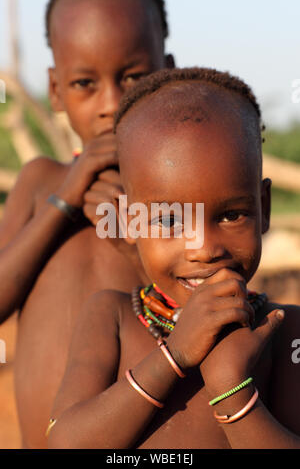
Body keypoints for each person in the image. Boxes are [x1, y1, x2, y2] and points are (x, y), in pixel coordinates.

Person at [48, 68, 300, 449]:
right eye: (169, 220)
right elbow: (65, 443)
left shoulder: (283, 330)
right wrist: (175, 355)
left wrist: (233, 392)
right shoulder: (111, 316)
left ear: (263, 208)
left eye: (231, 215)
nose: (204, 248)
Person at [0, 0, 173, 448]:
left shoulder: (179, 191)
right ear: (56, 89)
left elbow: (202, 313)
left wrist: (130, 244)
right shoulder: (41, 182)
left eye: (134, 76)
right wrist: (63, 201)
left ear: (168, 71)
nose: (112, 104)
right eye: (84, 83)